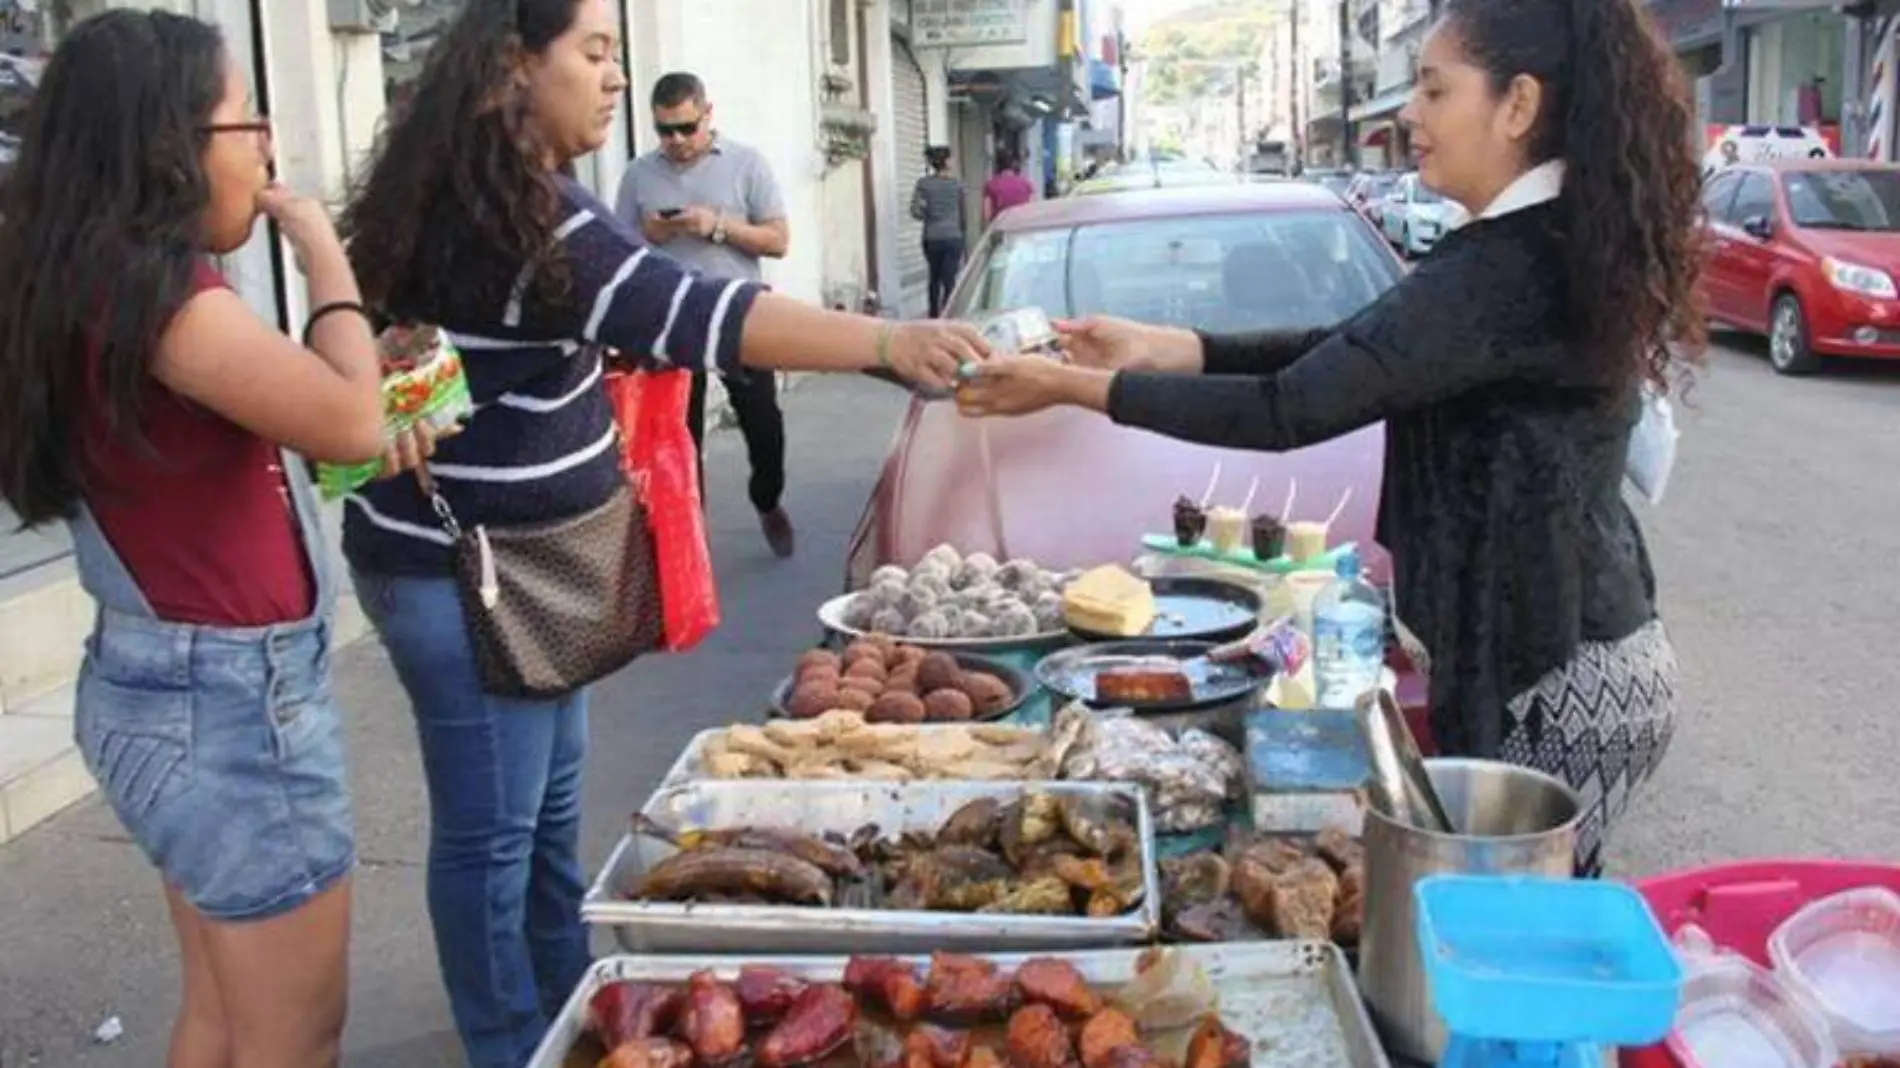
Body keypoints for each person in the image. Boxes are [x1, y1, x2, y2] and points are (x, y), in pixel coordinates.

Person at [338, 2, 986, 1064]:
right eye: (591, 53)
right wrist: (886, 339)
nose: (611, 79)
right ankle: (511, 1044)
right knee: (493, 838)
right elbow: (700, 314)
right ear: (513, 67)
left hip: (521, 573)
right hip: (474, 580)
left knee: (541, 826)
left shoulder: (484, 190)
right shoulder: (527, 211)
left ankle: (561, 1012)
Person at [957, 0, 1699, 876]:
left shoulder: (1509, 267)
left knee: (1503, 934)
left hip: (1554, 674)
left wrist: (1074, 388)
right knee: (1505, 925)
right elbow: (1360, 355)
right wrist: (1175, 346)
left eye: (1433, 91)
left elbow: (1290, 408)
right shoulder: (1521, 246)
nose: (1408, 117)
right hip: (1563, 650)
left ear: (1518, 106)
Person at [0, 11, 392, 1067]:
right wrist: (325, 259)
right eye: (243, 120)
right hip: (227, 705)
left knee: (223, 1015)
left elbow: (270, 439)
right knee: (293, 1035)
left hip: (169, 683)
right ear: (167, 141)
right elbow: (355, 424)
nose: (265, 147)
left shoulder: (89, 280)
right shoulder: (162, 294)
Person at [615, 71, 797, 557]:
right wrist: (651, 234)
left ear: (707, 113)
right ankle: (691, 539)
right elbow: (618, 251)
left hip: (740, 315)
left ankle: (767, 498)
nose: (675, 141)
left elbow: (778, 240)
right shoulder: (638, 174)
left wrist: (716, 227)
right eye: (665, 131)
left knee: (764, 427)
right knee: (680, 437)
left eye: (686, 128)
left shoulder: (746, 163)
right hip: (671, 320)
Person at [911, 145, 966, 317]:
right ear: (948, 162)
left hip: (932, 237)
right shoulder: (957, 184)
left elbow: (915, 211)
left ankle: (934, 313)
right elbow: (963, 213)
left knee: (934, 277)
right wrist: (963, 234)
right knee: (949, 279)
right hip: (953, 236)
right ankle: (949, 313)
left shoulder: (923, 184)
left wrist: (928, 213)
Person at [984, 149, 1035, 222]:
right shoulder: (1027, 184)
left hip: (1001, 228)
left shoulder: (990, 185)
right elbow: (1032, 210)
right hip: (1022, 226)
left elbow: (987, 215)